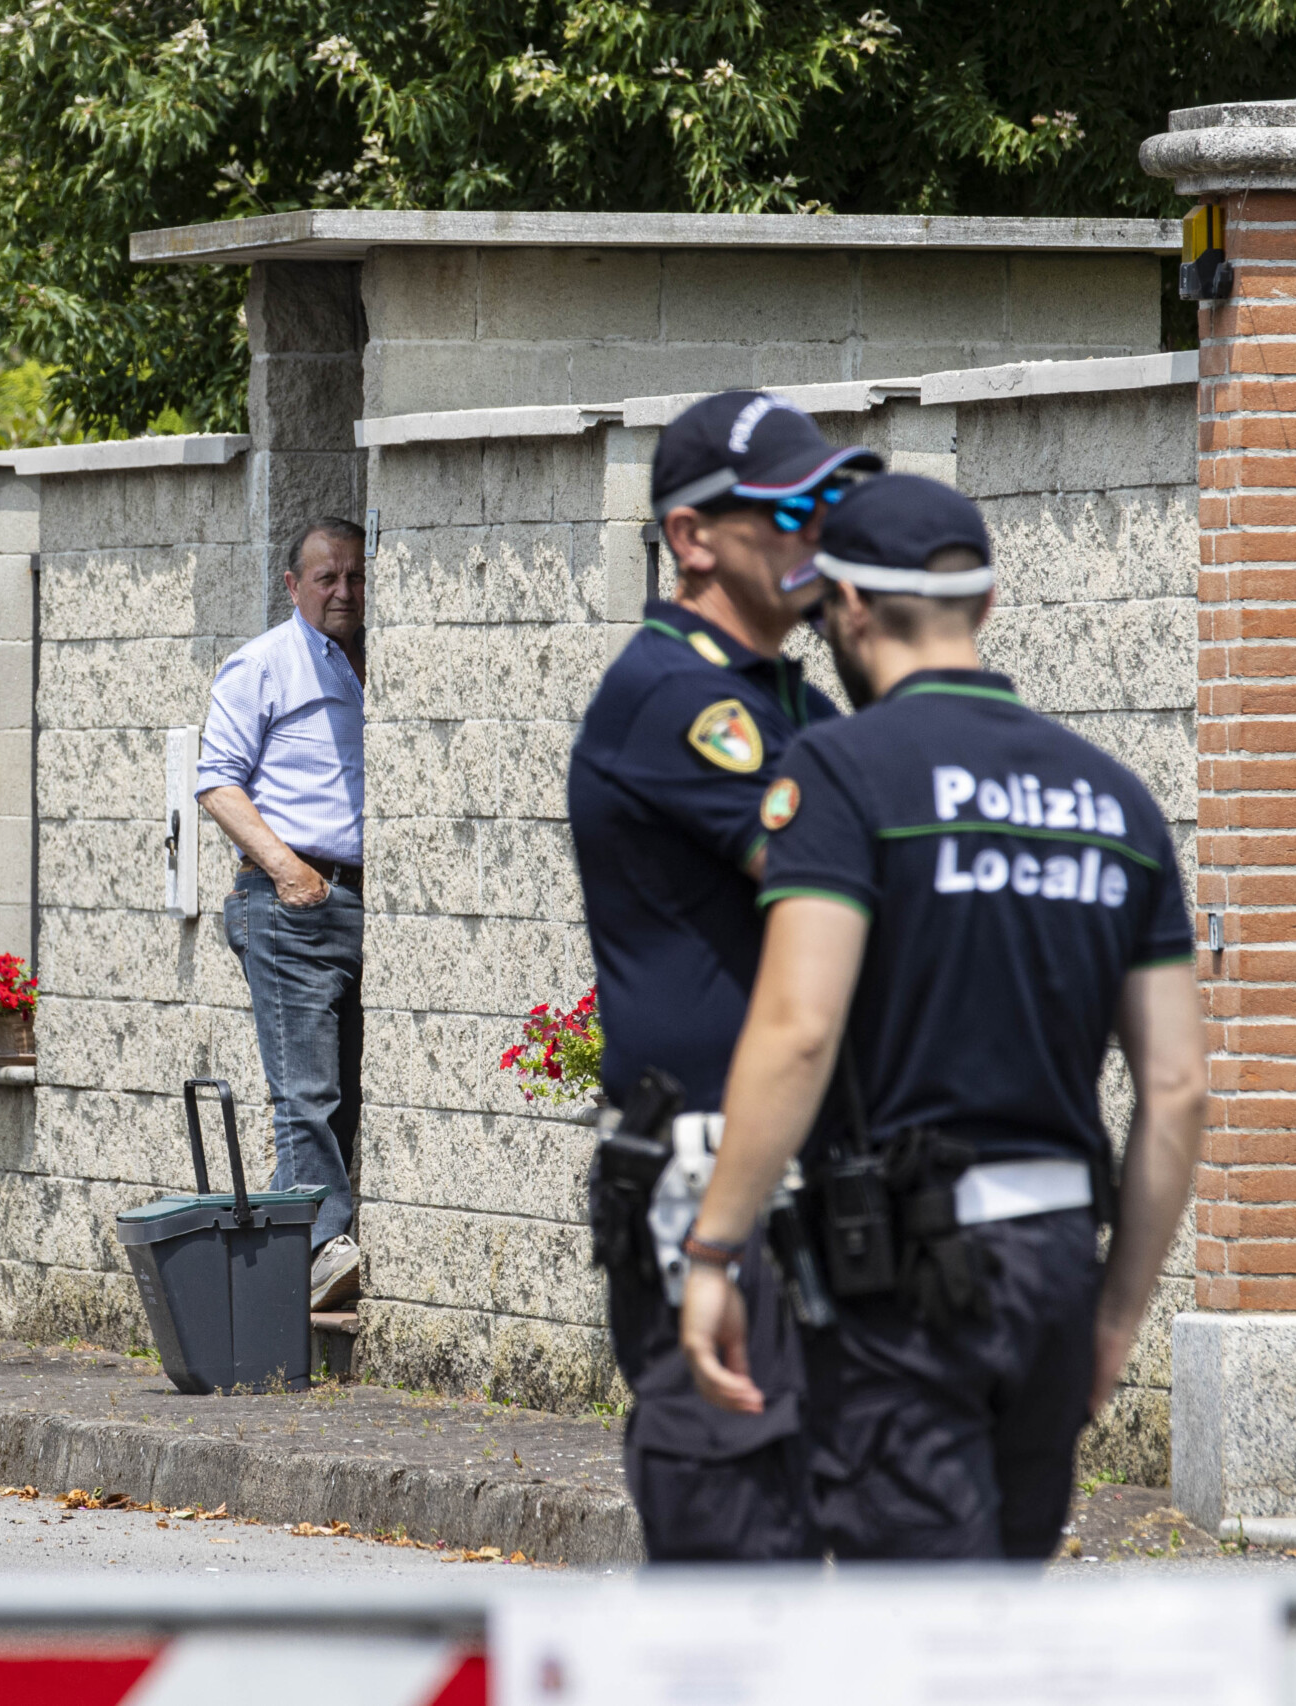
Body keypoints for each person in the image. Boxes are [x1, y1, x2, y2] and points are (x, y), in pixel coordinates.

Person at [677, 473, 1206, 1561]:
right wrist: (1113, 1314)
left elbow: (798, 1026)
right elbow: (1177, 1089)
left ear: (850, 611)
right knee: (996, 1628)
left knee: (914, 1642)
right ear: (985, 605)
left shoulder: (840, 770)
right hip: (1057, 1264)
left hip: (904, 1284)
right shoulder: (1114, 801)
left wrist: (712, 1249)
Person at [567, 391, 879, 1561]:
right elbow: (844, 881)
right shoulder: (676, 697)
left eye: (832, 504)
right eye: (792, 508)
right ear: (692, 537)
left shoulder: (790, 693)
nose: (821, 532)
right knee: (738, 1557)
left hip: (807, 1173)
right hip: (709, 1171)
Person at [198, 518, 369, 1310]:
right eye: (325, 578)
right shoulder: (264, 662)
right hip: (288, 904)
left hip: (351, 901)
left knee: (341, 1093)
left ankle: (272, 1264)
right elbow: (218, 784)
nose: (341, 591)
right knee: (305, 1092)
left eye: (353, 577)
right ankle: (319, 1249)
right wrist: (289, 870)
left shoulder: (365, 662)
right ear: (293, 585)